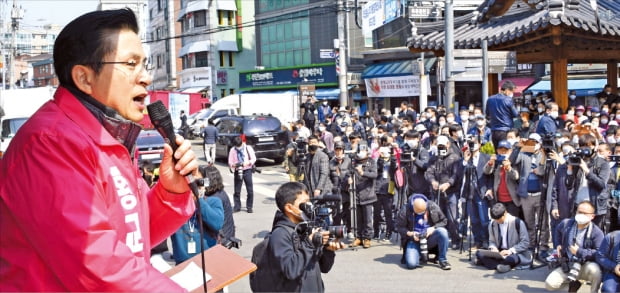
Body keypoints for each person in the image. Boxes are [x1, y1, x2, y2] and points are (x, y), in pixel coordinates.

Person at [0, 9, 199, 291]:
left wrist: (171, 192)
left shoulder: (108, 140)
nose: (145, 78)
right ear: (84, 78)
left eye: (145, 64)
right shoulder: (50, 143)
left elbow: (134, 236)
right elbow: (97, 263)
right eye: (130, 64)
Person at [255, 182, 345, 292]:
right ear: (289, 207)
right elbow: (290, 270)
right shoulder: (280, 234)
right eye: (304, 204)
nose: (309, 207)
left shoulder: (305, 229)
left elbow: (324, 268)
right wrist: (309, 243)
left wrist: (328, 251)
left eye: (309, 202)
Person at [545, 201, 604, 293]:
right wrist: (558, 245)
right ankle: (572, 286)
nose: (581, 215)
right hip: (568, 263)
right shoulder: (566, 223)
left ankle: (594, 291)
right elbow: (557, 230)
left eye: (585, 213)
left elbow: (599, 252)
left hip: (585, 265)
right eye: (579, 212)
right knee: (549, 284)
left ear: (592, 216)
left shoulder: (597, 232)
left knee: (596, 271)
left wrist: (579, 251)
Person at [170, 168, 224, 264]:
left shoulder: (213, 202)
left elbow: (217, 223)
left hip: (208, 259)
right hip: (183, 262)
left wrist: (198, 200)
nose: (194, 186)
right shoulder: (175, 206)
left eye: (198, 182)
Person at [396, 194, 452, 270]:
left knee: (442, 232)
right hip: (414, 240)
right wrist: (410, 233)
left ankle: (443, 260)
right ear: (413, 208)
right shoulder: (405, 209)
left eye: (423, 212)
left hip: (429, 237)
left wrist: (433, 228)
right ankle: (418, 254)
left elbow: (444, 221)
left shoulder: (432, 205)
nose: (421, 214)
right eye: (418, 212)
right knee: (411, 264)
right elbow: (399, 227)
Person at [566, 133, 611, 228]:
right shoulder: (577, 160)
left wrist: (586, 170)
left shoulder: (602, 163)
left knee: (594, 236)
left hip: (595, 206)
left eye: (588, 146)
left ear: (594, 146)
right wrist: (570, 169)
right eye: (582, 146)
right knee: (577, 234)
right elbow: (568, 185)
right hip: (578, 205)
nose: (585, 149)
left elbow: (601, 184)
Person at [426, 135, 462, 248]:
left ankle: (456, 239)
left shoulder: (455, 157)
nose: (440, 148)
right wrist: (432, 181)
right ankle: (440, 239)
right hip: (437, 192)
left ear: (448, 145)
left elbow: (457, 174)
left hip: (451, 192)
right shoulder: (434, 158)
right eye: (438, 146)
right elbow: (428, 172)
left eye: (442, 145)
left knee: (452, 218)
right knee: (437, 217)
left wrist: (448, 183)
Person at [474, 203, 532, 273]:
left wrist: (510, 251)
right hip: (500, 252)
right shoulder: (492, 223)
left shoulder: (518, 222)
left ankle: (493, 264)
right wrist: (493, 248)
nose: (497, 221)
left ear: (505, 213)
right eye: (495, 219)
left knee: (510, 259)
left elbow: (525, 242)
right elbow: (491, 241)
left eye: (499, 219)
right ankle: (504, 266)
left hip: (514, 252)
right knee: (479, 253)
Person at [461, 136, 493, 249]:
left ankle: (487, 240)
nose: (472, 145)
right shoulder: (466, 158)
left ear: (480, 144)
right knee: (474, 219)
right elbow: (461, 174)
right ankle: (477, 241)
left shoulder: (486, 157)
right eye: (470, 143)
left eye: (474, 143)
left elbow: (491, 176)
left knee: (484, 219)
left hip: (481, 191)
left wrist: (490, 188)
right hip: (469, 192)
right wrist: (465, 161)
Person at [199, 165, 237, 249]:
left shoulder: (214, 198)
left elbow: (211, 222)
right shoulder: (220, 192)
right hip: (228, 234)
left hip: (222, 239)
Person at [485, 140, 522, 219]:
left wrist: (508, 168)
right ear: (497, 151)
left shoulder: (513, 162)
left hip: (512, 200)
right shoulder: (496, 163)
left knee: (512, 223)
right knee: (500, 222)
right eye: (501, 150)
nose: (503, 152)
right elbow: (486, 172)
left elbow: (516, 176)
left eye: (506, 150)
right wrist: (491, 162)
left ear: (510, 151)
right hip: (499, 200)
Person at [350, 149, 378, 248]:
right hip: (356, 195)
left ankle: (367, 238)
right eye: (359, 150)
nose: (360, 152)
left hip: (368, 194)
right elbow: (348, 173)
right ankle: (358, 237)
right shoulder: (353, 161)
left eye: (363, 150)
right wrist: (348, 179)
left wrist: (363, 173)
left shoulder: (371, 161)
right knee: (358, 219)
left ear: (367, 151)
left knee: (368, 219)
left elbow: (374, 175)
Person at [486, 80, 519, 149]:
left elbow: (487, 113)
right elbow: (515, 114)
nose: (512, 93)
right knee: (506, 151)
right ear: (507, 90)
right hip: (506, 130)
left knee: (497, 152)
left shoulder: (490, 99)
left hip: (494, 130)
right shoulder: (508, 100)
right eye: (512, 91)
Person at [228, 135, 257, 213]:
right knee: (237, 191)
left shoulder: (248, 148)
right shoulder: (232, 150)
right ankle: (237, 206)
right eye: (237, 147)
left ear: (242, 143)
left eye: (239, 146)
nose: (238, 148)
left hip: (247, 170)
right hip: (238, 171)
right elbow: (230, 162)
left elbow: (254, 158)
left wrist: (247, 163)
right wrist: (234, 165)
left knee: (250, 190)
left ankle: (249, 207)